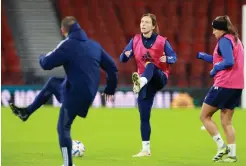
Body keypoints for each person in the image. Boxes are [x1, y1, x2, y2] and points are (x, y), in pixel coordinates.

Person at [9, 16, 118, 166]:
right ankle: (26, 112)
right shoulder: (95, 46)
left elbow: (46, 64)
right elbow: (112, 68)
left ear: (63, 30)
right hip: (87, 92)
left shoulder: (67, 45)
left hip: (75, 93)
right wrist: (110, 88)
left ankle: (68, 164)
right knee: (53, 83)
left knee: (63, 128)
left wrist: (41, 57)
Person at [120, 13, 177, 157]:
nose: (143, 24)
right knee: (144, 116)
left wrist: (167, 58)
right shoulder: (135, 40)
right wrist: (125, 55)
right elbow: (122, 58)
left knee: (150, 65)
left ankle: (140, 82)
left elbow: (174, 57)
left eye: (146, 22)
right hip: (145, 81)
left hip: (159, 77)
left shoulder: (162, 41)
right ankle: (146, 149)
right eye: (141, 22)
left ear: (153, 26)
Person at [197, 15, 244, 162]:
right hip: (237, 85)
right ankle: (232, 155)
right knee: (226, 121)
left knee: (204, 116)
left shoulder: (223, 40)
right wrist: (205, 57)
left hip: (224, 84)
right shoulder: (235, 39)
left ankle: (221, 145)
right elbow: (224, 58)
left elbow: (228, 62)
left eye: (214, 29)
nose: (213, 32)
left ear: (221, 29)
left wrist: (214, 69)